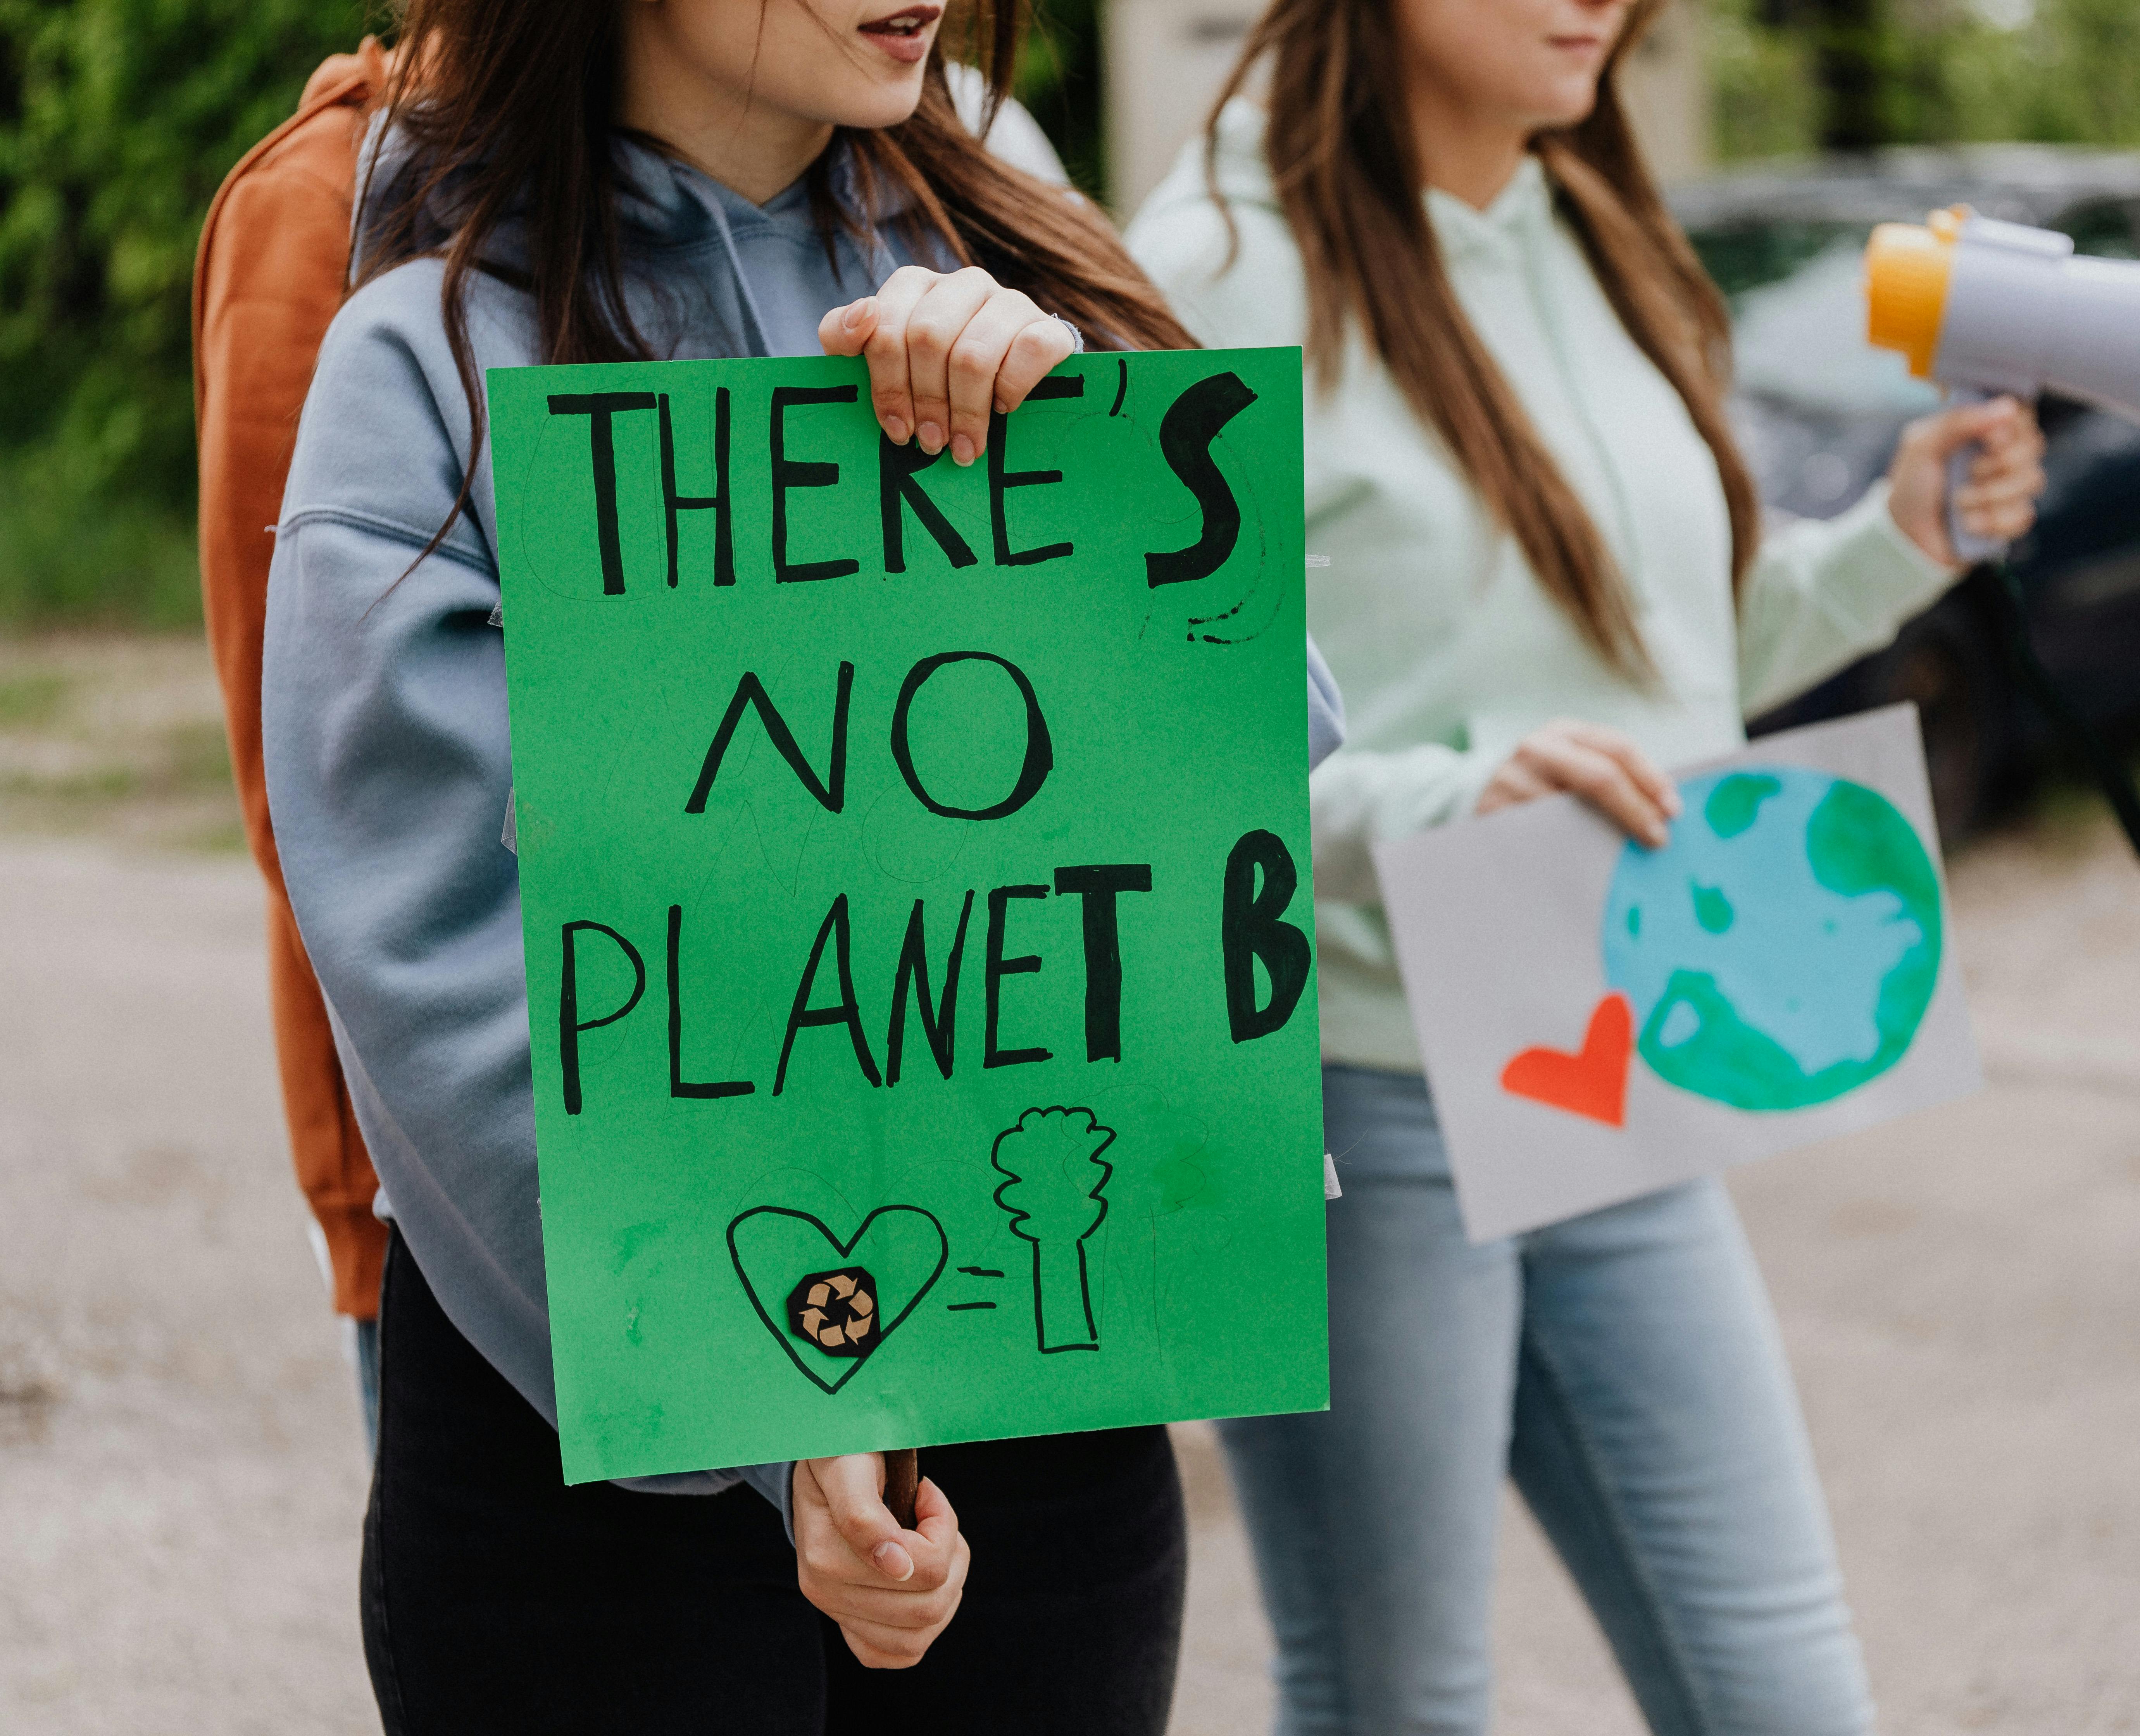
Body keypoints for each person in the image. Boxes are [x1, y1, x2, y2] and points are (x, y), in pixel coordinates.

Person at [260, 2, 1336, 1730]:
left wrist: (1070, 459)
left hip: (1045, 1427)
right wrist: (770, 1402)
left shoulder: (1029, 274)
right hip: (587, 1447)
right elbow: (431, 978)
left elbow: (1268, 765)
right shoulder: (430, 359)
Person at [1125, 0, 2046, 1729]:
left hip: (1606, 1057)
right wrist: (1435, 799)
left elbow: (1658, 673)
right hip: (1353, 1094)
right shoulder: (1209, 269)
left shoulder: (1602, 231)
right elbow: (1147, 762)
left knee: (1784, 1695)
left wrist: (1895, 548)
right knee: (1402, 1701)